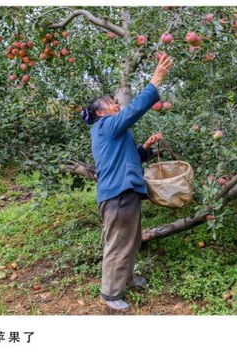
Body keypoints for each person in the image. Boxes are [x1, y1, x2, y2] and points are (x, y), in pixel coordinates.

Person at [81, 54, 174, 311]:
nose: (116, 105)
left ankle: (127, 279)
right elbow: (134, 111)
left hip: (125, 193)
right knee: (118, 243)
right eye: (111, 103)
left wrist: (145, 147)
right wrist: (155, 80)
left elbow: (130, 158)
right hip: (118, 195)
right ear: (101, 113)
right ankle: (110, 295)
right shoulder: (106, 125)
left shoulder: (113, 132)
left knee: (130, 240)